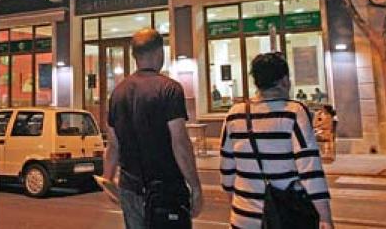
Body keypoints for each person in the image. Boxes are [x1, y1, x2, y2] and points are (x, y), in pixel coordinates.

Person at [219, 52, 333, 229]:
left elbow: (227, 172)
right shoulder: (293, 112)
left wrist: (239, 205)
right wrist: (325, 217)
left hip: (242, 217)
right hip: (286, 217)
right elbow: (309, 168)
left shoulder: (234, 114)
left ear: (256, 82)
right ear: (284, 80)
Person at [103, 28, 203, 228]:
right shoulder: (169, 89)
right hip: (165, 188)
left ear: (134, 56)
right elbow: (180, 143)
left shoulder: (117, 93)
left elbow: (113, 145)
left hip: (130, 188)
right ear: (159, 52)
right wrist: (195, 186)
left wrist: (108, 178)